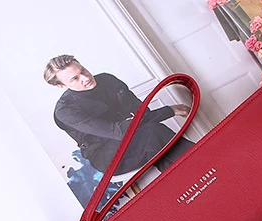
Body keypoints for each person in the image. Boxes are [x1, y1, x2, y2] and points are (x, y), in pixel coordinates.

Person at [44, 55, 195, 175]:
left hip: (136, 137)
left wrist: (151, 117)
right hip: (107, 156)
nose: (86, 78)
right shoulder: (65, 111)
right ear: (61, 86)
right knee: (152, 132)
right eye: (75, 79)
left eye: (82, 70)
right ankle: (204, 163)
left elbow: (140, 110)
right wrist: (170, 111)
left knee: (157, 143)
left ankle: (194, 184)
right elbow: (119, 131)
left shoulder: (107, 79)